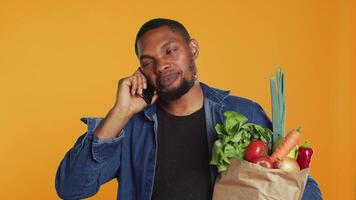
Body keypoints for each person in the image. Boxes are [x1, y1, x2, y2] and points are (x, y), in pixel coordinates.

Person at [55, 18, 322, 200]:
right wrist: (120, 113)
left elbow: (301, 187)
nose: (161, 66)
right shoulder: (129, 127)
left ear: (192, 49)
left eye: (170, 51)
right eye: (148, 62)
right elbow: (71, 188)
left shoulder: (243, 114)